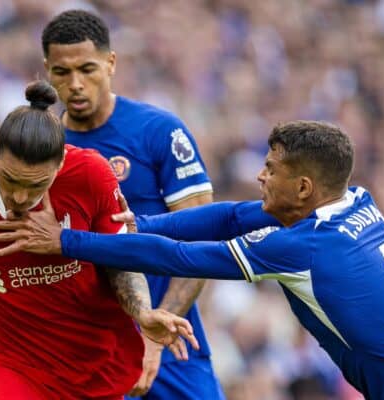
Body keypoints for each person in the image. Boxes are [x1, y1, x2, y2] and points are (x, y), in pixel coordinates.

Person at [0, 120, 384, 399]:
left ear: (303, 188)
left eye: (271, 169)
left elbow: (178, 258)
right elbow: (231, 218)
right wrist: (131, 224)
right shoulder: (354, 202)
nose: (260, 177)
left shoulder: (304, 247)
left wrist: (69, 242)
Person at [0, 80, 198, 400]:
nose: (21, 196)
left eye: (37, 185)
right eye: (10, 180)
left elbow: (119, 259)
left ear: (60, 164)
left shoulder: (90, 175)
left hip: (92, 363)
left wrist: (142, 312)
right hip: (7, 363)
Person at [40, 9, 223, 399]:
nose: (75, 84)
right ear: (46, 71)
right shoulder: (41, 147)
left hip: (170, 342)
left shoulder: (158, 131)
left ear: (111, 63)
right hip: (85, 349)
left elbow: (201, 241)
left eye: (87, 69)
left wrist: (153, 340)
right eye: (61, 73)